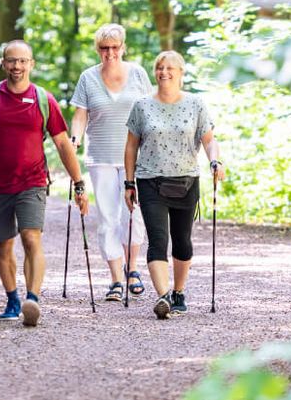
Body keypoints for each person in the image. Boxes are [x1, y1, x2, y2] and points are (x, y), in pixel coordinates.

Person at [0, 40, 88, 327]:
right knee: (3, 246)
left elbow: (63, 144)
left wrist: (78, 183)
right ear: (4, 64)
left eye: (22, 61)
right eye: (11, 61)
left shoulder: (43, 99)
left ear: (31, 64)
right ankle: (13, 297)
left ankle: (33, 299)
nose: (17, 66)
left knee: (31, 238)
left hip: (33, 181)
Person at [123, 50, 225, 320]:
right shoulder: (142, 105)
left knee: (182, 242)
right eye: (159, 67)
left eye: (170, 68)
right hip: (150, 181)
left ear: (181, 73)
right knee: (158, 240)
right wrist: (128, 182)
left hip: (186, 180)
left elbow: (209, 140)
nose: (163, 72)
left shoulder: (195, 104)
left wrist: (215, 161)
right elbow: (131, 146)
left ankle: (179, 292)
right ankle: (163, 296)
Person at [69, 23, 153, 302]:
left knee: (134, 214)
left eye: (114, 47)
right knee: (107, 217)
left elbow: (149, 111)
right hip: (101, 157)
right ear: (98, 50)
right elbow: (81, 115)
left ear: (123, 47)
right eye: (104, 48)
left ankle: (133, 269)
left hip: (137, 158)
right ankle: (116, 278)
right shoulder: (88, 78)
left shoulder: (138, 74)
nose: (110, 53)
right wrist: (75, 138)